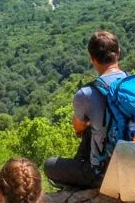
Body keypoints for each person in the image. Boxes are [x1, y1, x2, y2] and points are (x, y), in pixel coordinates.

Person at [44, 30, 127, 189]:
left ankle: (85, 180)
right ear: (118, 53)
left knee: (49, 165)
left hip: (104, 174)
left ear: (92, 59)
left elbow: (78, 127)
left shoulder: (87, 94)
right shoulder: (134, 85)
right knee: (92, 129)